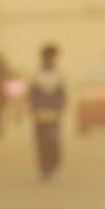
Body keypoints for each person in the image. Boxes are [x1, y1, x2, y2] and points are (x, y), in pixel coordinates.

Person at [28, 43, 66, 181]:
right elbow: (32, 95)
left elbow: (62, 95)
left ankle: (54, 167)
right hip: (40, 113)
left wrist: (56, 108)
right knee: (41, 142)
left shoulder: (59, 74)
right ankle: (44, 168)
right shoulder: (36, 75)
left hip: (54, 113)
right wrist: (38, 108)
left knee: (53, 141)